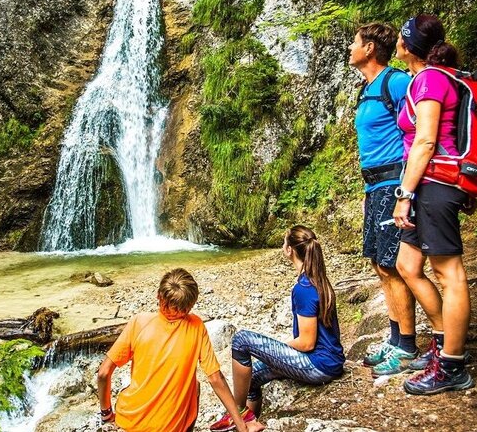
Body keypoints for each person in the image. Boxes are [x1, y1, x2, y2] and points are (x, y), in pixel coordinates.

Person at [392, 14, 475, 395]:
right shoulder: (423, 79)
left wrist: (405, 195)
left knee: (448, 272)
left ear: (408, 45)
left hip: (434, 184)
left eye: (400, 37)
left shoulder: (430, 79)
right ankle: (444, 341)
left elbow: (425, 141)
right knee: (407, 265)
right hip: (428, 184)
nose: (396, 41)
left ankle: (453, 365)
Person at [210, 225, 343, 431]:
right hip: (328, 362)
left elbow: (307, 343)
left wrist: (273, 351)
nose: (283, 246)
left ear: (289, 250)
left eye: (284, 243)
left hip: (318, 365)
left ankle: (237, 411)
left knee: (241, 340)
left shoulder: (304, 288)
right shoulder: (317, 279)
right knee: (250, 378)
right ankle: (248, 423)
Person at [96, 268, 255, 432]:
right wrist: (240, 425)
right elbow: (216, 378)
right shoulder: (196, 325)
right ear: (189, 307)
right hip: (170, 427)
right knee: (195, 386)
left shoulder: (139, 322)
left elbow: (103, 373)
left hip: (128, 421)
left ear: (158, 296)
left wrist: (107, 414)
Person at [347, 23, 419, 377]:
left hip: (394, 184)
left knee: (392, 265)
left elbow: (420, 133)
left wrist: (406, 191)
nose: (350, 47)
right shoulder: (368, 89)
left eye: (355, 43)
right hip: (374, 187)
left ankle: (407, 347)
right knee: (379, 263)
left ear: (371, 48)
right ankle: (394, 339)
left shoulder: (396, 83)